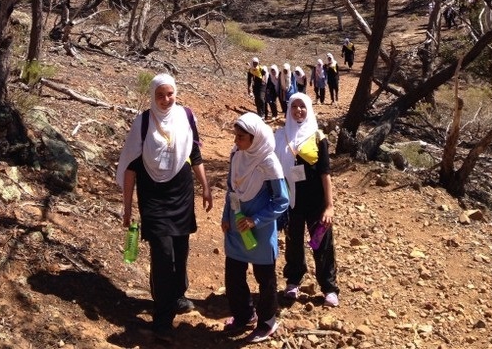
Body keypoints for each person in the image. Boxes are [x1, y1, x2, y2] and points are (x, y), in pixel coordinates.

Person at [116, 73, 213, 341]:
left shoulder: (186, 116)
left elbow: (194, 154)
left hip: (181, 192)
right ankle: (162, 318)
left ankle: (177, 296)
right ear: (153, 95)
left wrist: (205, 186)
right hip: (153, 196)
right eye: (160, 95)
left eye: (170, 94)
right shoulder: (144, 122)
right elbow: (131, 168)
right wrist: (127, 207)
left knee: (181, 247)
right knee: (163, 253)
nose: (166, 99)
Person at [222, 113, 289, 343]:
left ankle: (267, 322)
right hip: (236, 226)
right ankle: (244, 315)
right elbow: (231, 190)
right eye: (236, 136)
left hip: (260, 230)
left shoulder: (268, 161)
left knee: (265, 278)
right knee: (233, 275)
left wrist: (256, 220)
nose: (236, 141)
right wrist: (226, 216)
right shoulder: (236, 156)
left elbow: (282, 201)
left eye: (241, 137)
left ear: (255, 138)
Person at [274, 93, 339, 308]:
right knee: (293, 243)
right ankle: (293, 281)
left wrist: (329, 206)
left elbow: (325, 173)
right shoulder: (281, 136)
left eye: (302, 107)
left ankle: (329, 287)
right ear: (289, 109)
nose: (298, 111)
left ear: (309, 109)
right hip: (291, 202)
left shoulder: (318, 137)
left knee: (320, 242)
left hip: (315, 202)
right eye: (294, 107)